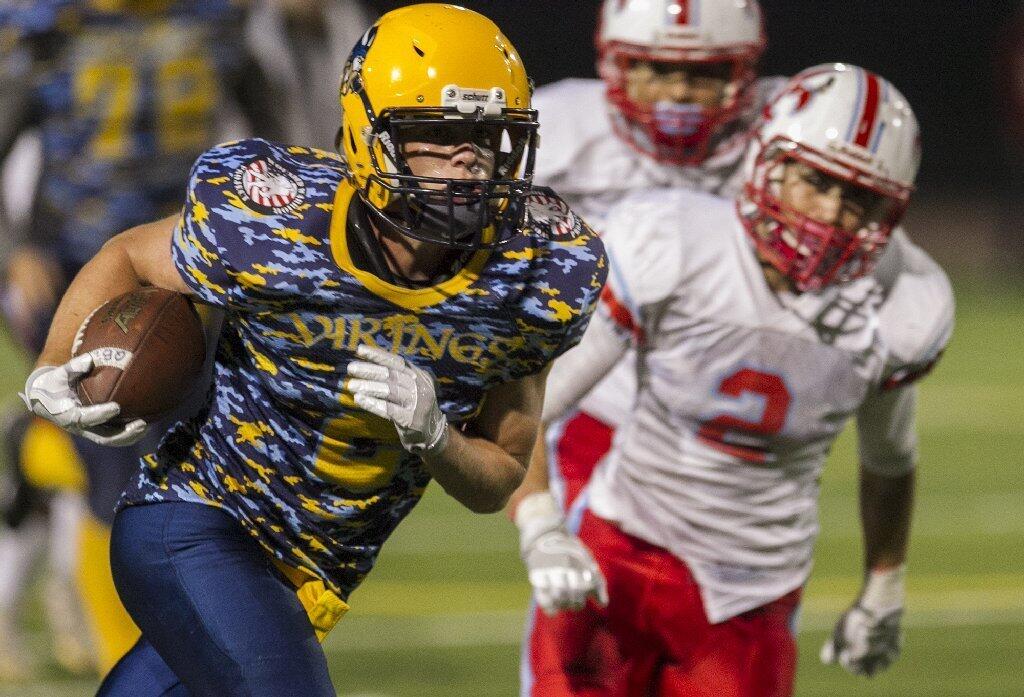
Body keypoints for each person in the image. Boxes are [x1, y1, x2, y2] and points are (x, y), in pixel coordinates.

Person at [22, 4, 607, 695]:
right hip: (194, 518)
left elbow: (500, 471)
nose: (469, 161)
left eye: (486, 137)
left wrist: (436, 436)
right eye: (437, 135)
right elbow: (131, 254)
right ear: (369, 136)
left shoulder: (535, 271)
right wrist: (51, 367)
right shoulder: (278, 217)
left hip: (312, 579)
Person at [512, 63, 954, 696]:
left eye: (861, 199)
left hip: (754, 595)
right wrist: (541, 527)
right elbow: (531, 405)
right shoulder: (676, 240)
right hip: (620, 555)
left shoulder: (905, 304)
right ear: (766, 164)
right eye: (815, 182)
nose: (830, 215)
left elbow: (890, 458)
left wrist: (884, 583)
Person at [0, 0, 284, 677]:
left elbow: (275, 133)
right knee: (117, 452)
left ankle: (35, 451)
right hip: (71, 269)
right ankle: (120, 657)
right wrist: (16, 245)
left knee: (169, 451)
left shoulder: (216, 18)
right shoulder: (50, 25)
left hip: (178, 269)